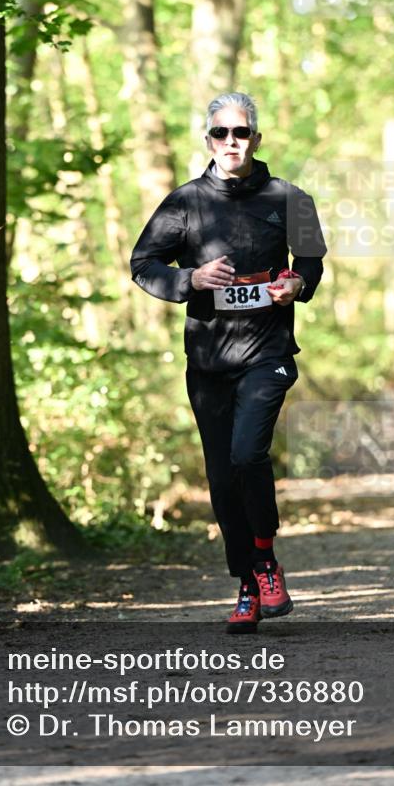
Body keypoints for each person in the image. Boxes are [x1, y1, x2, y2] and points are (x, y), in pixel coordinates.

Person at [130, 92, 327, 634]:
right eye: (221, 133)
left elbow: (311, 260)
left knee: (247, 454)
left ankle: (264, 559)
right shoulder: (185, 202)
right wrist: (189, 278)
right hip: (208, 361)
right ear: (209, 140)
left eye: (241, 132)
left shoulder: (290, 199)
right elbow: (142, 263)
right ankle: (248, 583)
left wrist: (297, 283)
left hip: (268, 353)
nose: (231, 141)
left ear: (256, 139)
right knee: (221, 478)